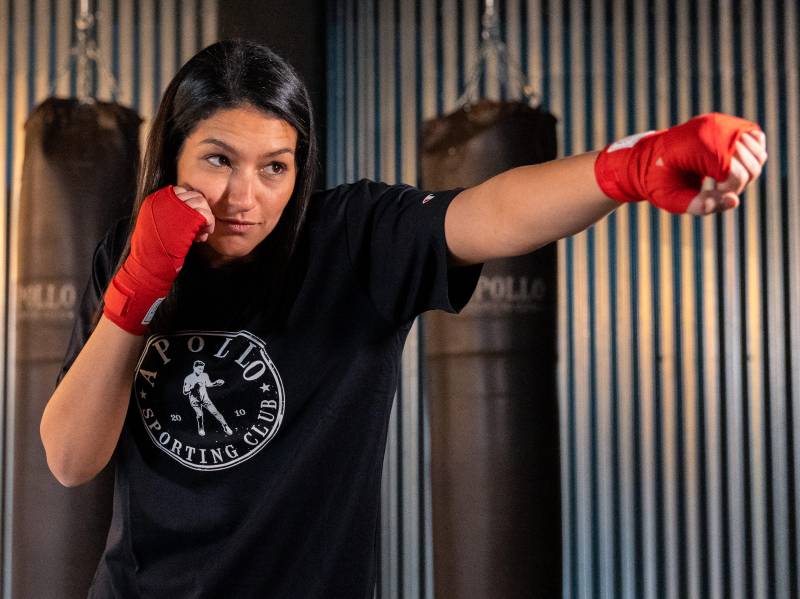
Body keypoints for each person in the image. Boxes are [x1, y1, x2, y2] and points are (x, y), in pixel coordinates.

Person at [39, 39, 767, 598]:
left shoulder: (351, 240)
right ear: (171, 157)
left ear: (301, 168)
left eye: (274, 166)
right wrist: (136, 290)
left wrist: (627, 168)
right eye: (218, 158)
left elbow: (491, 211)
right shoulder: (126, 253)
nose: (244, 196)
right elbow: (71, 458)